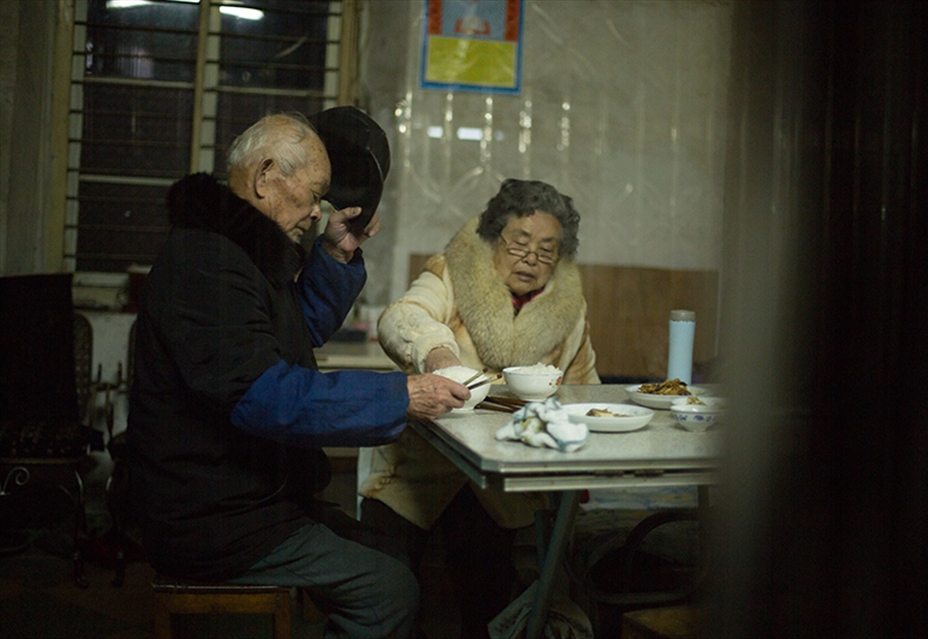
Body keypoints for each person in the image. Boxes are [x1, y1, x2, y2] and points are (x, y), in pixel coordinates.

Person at [126, 112, 469, 639]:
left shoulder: (240, 249)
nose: (316, 211)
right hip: (212, 518)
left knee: (396, 555)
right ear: (265, 176)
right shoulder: (205, 264)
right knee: (388, 590)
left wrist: (335, 251)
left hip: (256, 499)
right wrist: (400, 395)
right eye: (312, 195)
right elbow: (266, 397)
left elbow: (295, 328)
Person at [359, 178, 601, 637]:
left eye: (547, 250)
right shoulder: (453, 272)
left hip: (499, 486)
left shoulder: (570, 310)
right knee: (388, 592)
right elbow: (401, 317)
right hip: (417, 469)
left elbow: (585, 392)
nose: (531, 258)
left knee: (486, 601)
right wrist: (438, 354)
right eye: (520, 243)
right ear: (494, 239)